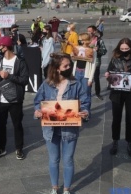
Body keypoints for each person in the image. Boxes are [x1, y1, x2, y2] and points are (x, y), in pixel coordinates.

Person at [34, 53, 89, 194]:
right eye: (66, 66)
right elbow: (37, 102)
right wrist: (37, 112)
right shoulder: (46, 84)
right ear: (57, 68)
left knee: (68, 159)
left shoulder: (76, 84)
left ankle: (66, 189)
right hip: (50, 129)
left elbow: (85, 101)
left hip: (69, 129)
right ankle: (54, 187)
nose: (69, 67)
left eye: (70, 65)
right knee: (53, 159)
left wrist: (85, 111)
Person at [0, 36, 29, 160]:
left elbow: (24, 80)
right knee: (0, 125)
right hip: (1, 99)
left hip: (15, 99)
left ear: (6, 47)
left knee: (17, 125)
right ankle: (1, 148)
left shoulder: (20, 61)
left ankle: (19, 149)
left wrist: (9, 76)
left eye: (0, 46)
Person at [104, 38, 131, 157]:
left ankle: (130, 142)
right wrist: (107, 75)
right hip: (116, 92)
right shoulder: (115, 58)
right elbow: (109, 71)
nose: (124, 51)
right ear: (119, 48)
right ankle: (115, 141)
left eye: (127, 49)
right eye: (122, 49)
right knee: (116, 118)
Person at [71, 33, 96, 122]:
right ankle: (77, 112)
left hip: (86, 73)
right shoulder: (78, 48)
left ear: (87, 40)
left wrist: (90, 78)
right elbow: (74, 60)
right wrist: (73, 55)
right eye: (80, 39)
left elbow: (93, 65)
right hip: (77, 71)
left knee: (86, 94)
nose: (80, 41)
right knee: (76, 93)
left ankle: (86, 114)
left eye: (82, 39)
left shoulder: (92, 50)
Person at [87, 25, 105, 100]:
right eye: (87, 31)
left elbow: (104, 51)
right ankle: (88, 93)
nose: (88, 32)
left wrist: (98, 50)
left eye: (90, 31)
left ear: (94, 31)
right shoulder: (85, 40)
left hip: (96, 62)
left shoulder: (99, 41)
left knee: (96, 78)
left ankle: (98, 93)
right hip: (87, 62)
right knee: (87, 79)